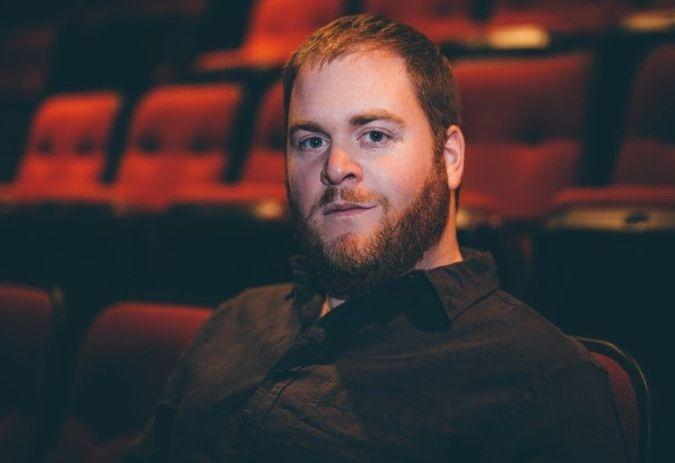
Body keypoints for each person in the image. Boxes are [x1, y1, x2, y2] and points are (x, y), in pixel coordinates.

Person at [122, 14, 628, 462]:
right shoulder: (234, 320)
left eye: (375, 135)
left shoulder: (544, 385)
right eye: (312, 141)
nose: (336, 168)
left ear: (449, 157)